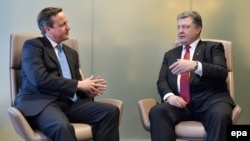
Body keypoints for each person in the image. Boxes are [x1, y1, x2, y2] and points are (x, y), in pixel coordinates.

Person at [14, 7, 120, 141]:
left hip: (69, 103)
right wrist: (79, 84)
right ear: (48, 29)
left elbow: (76, 86)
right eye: (62, 24)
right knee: (62, 127)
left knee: (110, 111)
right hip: (43, 103)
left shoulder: (71, 53)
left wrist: (87, 91)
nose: (68, 27)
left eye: (67, 23)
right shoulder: (33, 46)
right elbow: (38, 78)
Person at [149, 10, 235, 141]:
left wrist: (195, 65)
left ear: (198, 29)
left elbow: (221, 72)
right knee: (157, 111)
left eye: (186, 27)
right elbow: (162, 80)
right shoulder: (170, 54)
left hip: (211, 103)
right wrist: (170, 96)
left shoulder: (213, 48)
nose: (180, 31)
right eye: (178, 27)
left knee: (221, 115)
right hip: (180, 105)